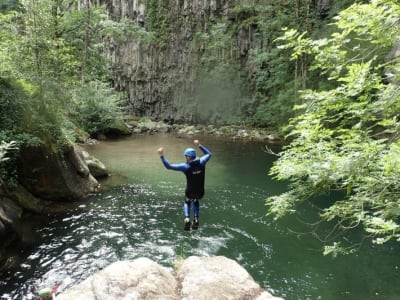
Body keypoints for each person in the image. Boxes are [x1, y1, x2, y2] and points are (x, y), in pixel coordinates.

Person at [157, 139, 212, 230]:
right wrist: (199, 145)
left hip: (190, 192)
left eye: (186, 156)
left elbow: (169, 166)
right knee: (195, 200)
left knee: (187, 201)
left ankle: (187, 218)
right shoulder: (202, 162)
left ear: (188, 157)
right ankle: (196, 218)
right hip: (200, 191)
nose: (185, 158)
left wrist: (162, 155)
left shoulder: (185, 167)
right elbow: (209, 154)